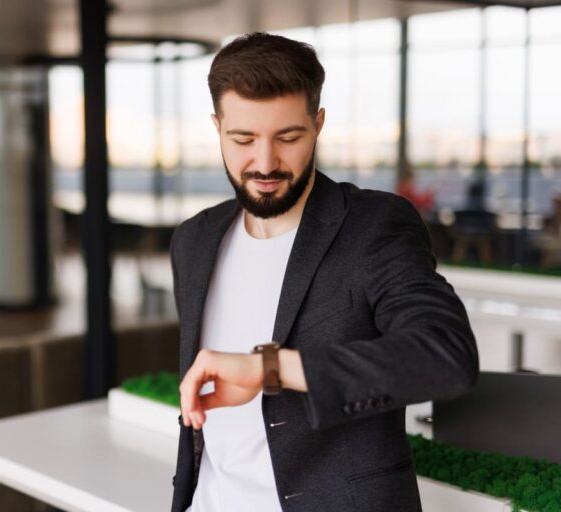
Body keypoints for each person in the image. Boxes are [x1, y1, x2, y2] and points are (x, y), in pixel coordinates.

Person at [169, 32, 479, 512]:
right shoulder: (193, 240)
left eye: (288, 137)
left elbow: (445, 355)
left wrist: (270, 368)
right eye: (243, 139)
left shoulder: (374, 226)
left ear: (318, 124)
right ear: (217, 127)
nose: (266, 162)